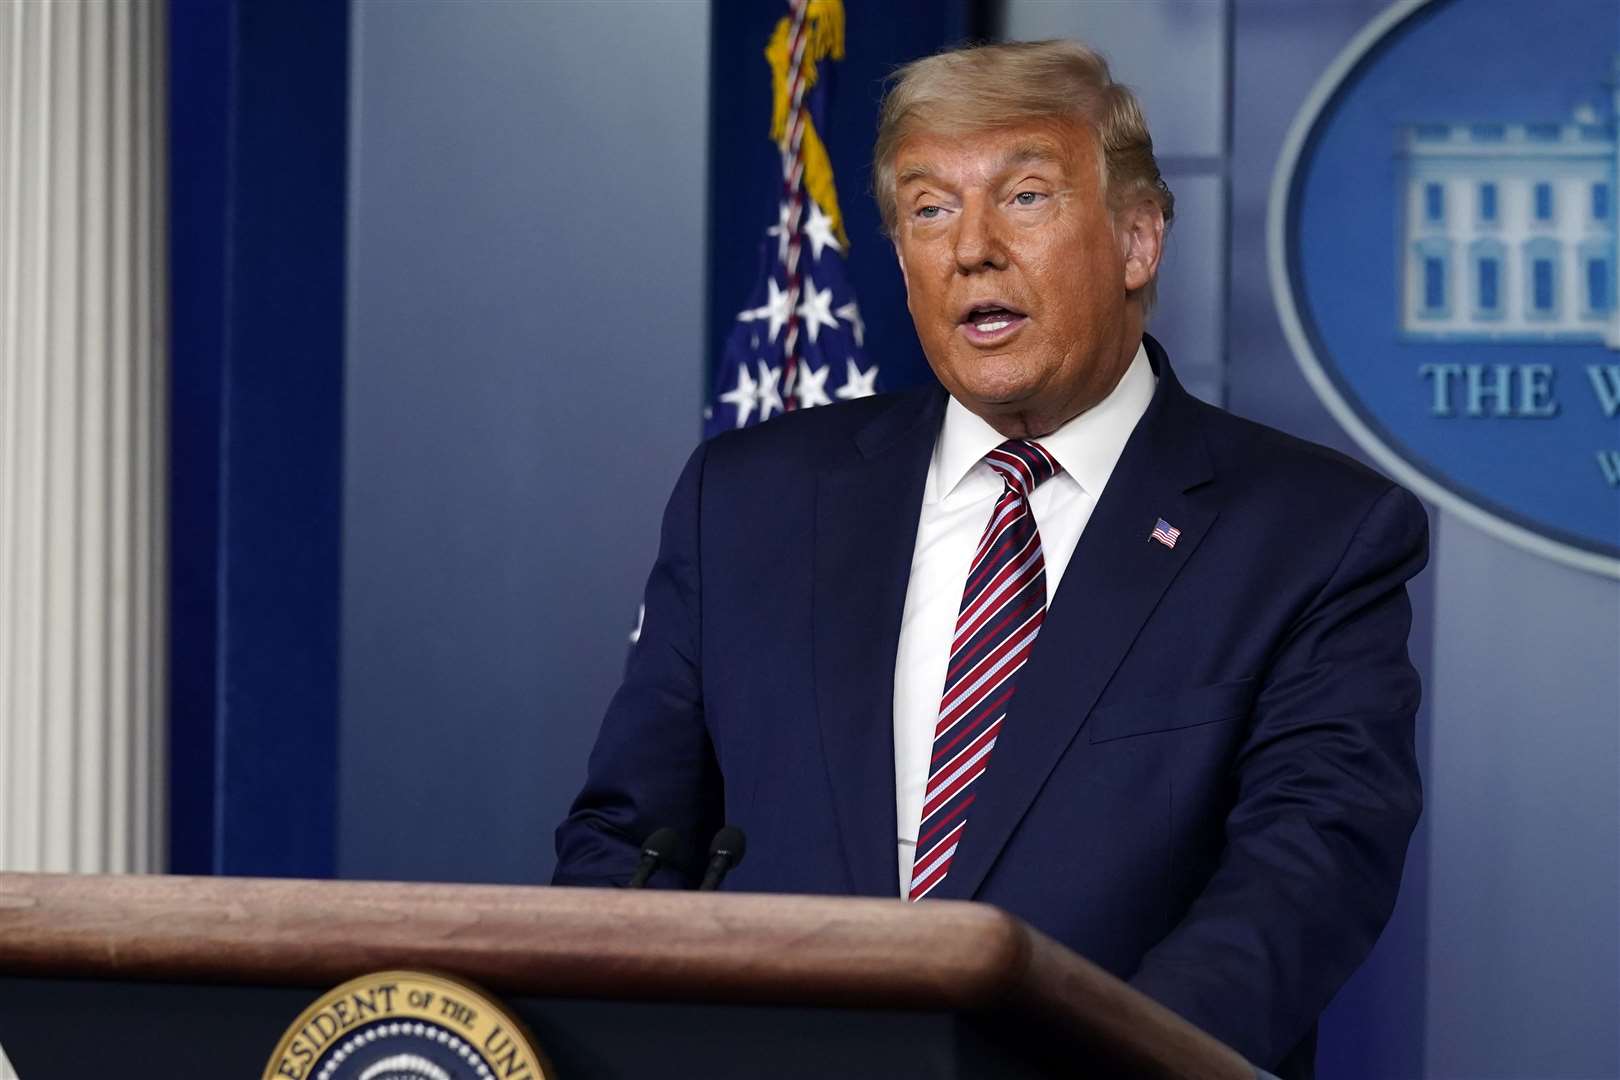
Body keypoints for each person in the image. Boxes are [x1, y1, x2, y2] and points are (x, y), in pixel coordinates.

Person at [553, 40, 1425, 1080]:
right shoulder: (748, 501)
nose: (971, 247)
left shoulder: (1311, 532)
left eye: (1024, 197)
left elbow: (1308, 873)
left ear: (1138, 238)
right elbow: (629, 845)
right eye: (928, 209)